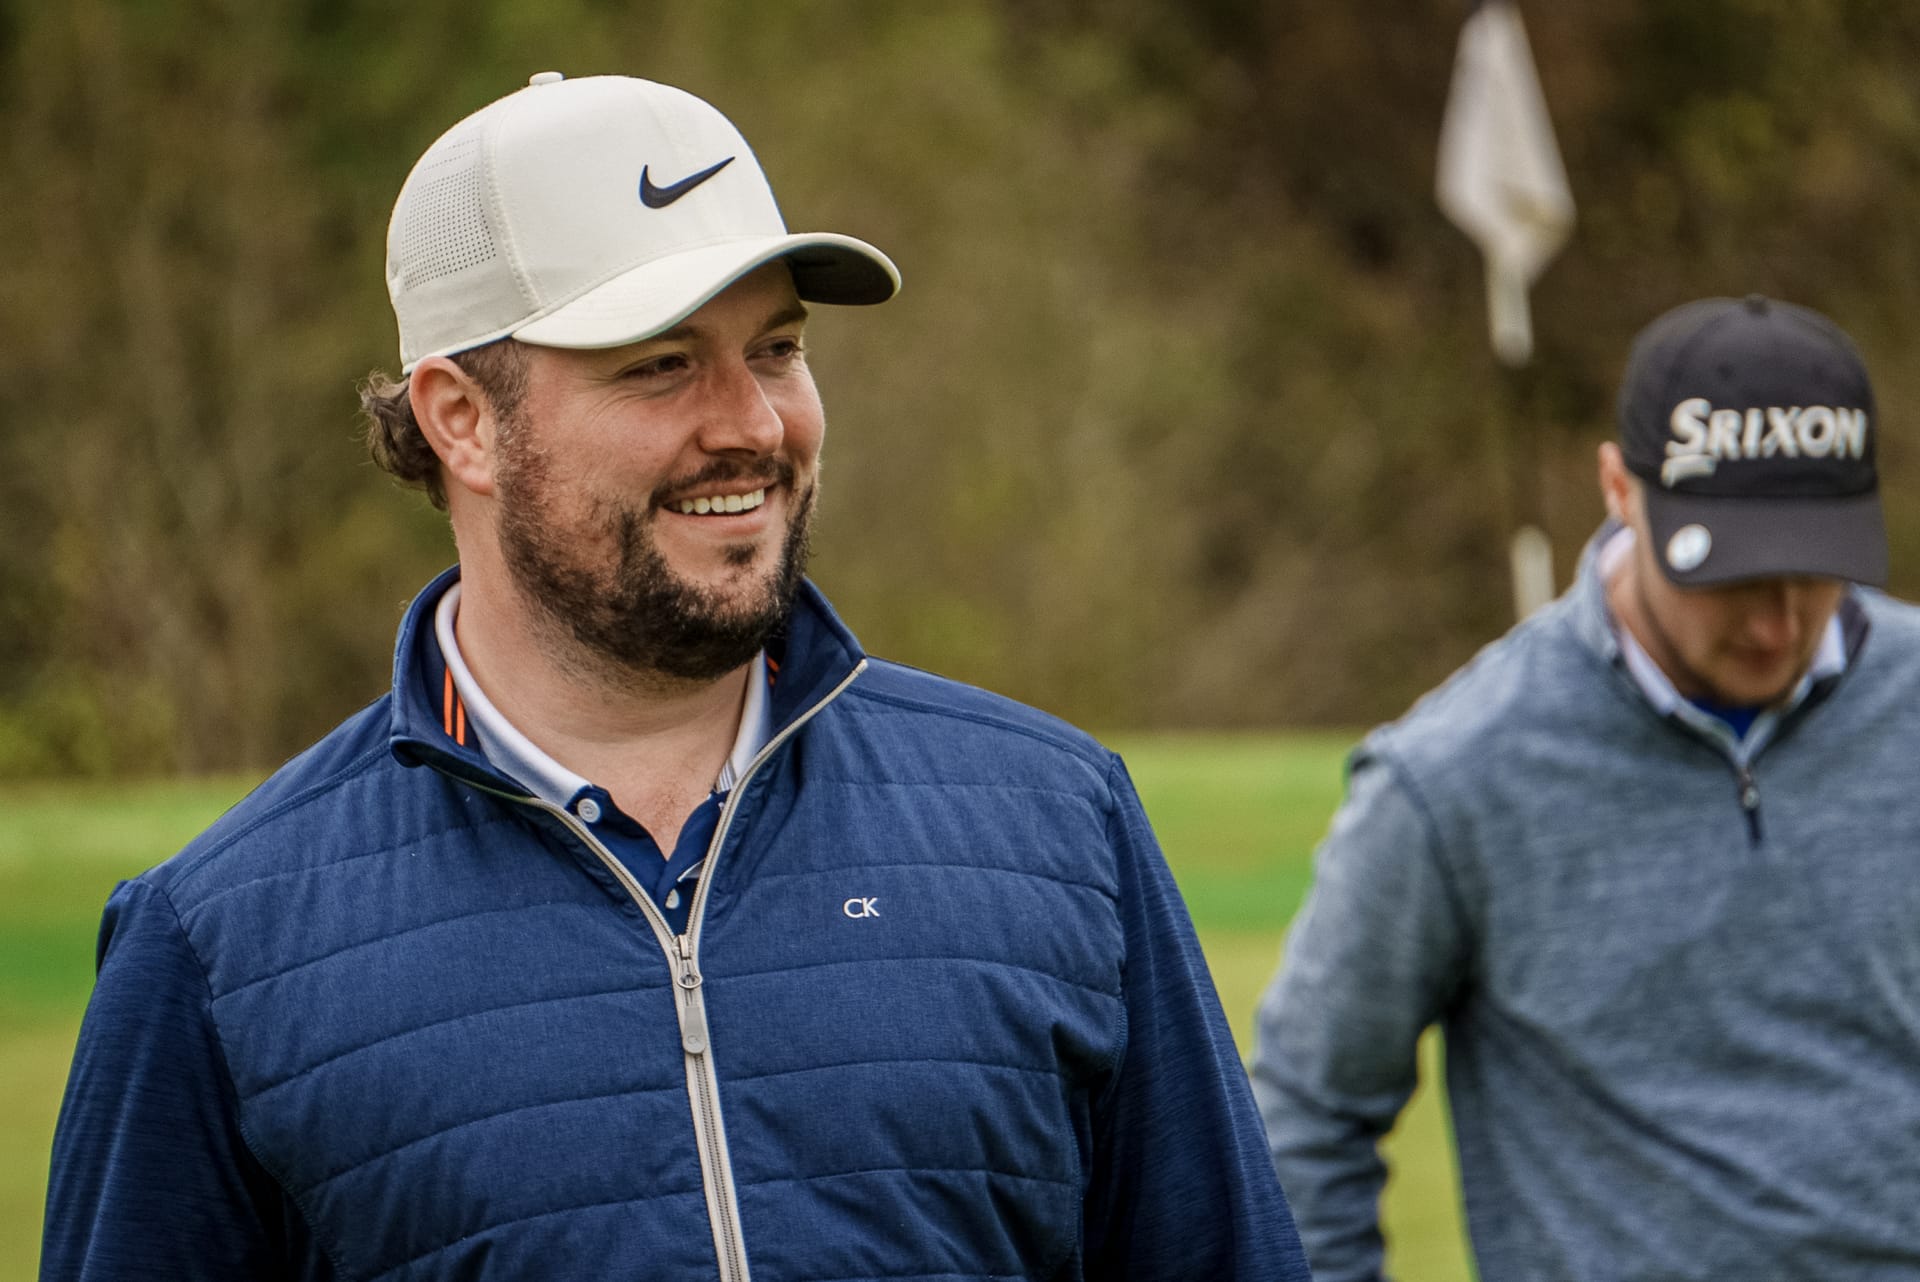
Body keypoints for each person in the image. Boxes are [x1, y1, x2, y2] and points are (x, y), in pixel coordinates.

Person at [41, 73, 1308, 1281]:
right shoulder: (214, 948)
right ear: (460, 419)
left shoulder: (1055, 820)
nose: (752, 423)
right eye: (659, 362)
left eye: (776, 348)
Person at [1252, 294, 1920, 1281]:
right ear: (1618, 487)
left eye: (1812, 572)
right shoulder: (1451, 774)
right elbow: (1304, 1120)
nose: (1779, 623)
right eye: (1727, 574)